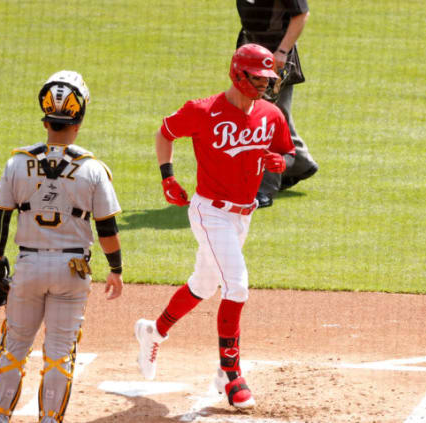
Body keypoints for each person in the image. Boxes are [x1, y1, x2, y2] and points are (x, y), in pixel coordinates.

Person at [134, 44, 295, 409]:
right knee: (236, 285)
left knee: (204, 283)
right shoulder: (203, 111)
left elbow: (286, 152)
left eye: (268, 78)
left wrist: (280, 163)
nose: (266, 85)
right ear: (239, 74)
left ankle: (152, 331)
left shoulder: (271, 115)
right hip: (210, 213)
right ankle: (230, 374)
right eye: (259, 78)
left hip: (243, 214)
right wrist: (167, 177)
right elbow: (165, 133)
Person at [0, 70, 124, 423]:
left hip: (28, 269)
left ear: (45, 118)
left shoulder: (17, 162)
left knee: (13, 349)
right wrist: (116, 268)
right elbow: (106, 228)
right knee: (60, 354)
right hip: (72, 272)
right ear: (80, 118)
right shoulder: (92, 169)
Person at [236, 0, 318, 208]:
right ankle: (299, 164)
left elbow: (301, 15)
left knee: (265, 121)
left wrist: (282, 52)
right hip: (251, 50)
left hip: (276, 55)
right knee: (276, 116)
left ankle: (264, 189)